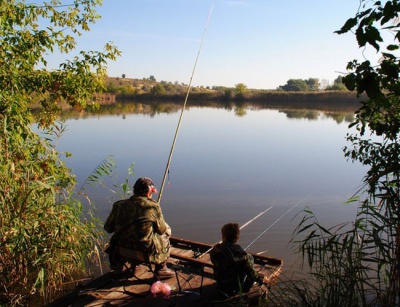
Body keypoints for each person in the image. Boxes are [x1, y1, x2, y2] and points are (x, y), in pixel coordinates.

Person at [104, 177, 175, 279]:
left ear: (134, 191)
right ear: (149, 192)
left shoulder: (118, 205)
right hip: (145, 251)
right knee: (166, 231)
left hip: (121, 249)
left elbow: (108, 228)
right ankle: (161, 269)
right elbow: (161, 230)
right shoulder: (153, 206)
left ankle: (121, 267)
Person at [210, 223, 265, 296]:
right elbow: (251, 274)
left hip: (220, 281)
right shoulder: (242, 255)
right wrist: (261, 279)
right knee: (250, 258)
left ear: (223, 236)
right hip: (236, 286)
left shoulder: (215, 250)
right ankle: (241, 290)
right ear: (237, 237)